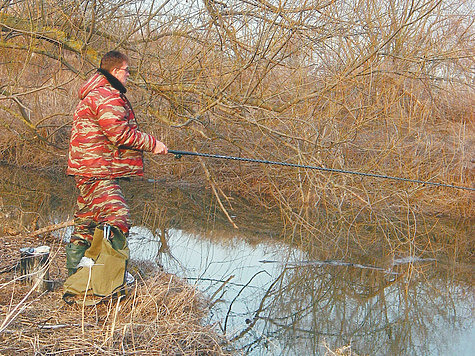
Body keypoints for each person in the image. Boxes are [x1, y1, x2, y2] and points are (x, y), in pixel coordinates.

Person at [64, 51, 167, 300]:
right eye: (127, 70)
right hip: (96, 170)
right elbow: (119, 133)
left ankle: (76, 278)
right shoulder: (106, 94)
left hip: (90, 168)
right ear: (116, 72)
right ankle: (106, 283)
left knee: (86, 224)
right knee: (117, 218)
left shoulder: (98, 92)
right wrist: (153, 144)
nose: (129, 75)